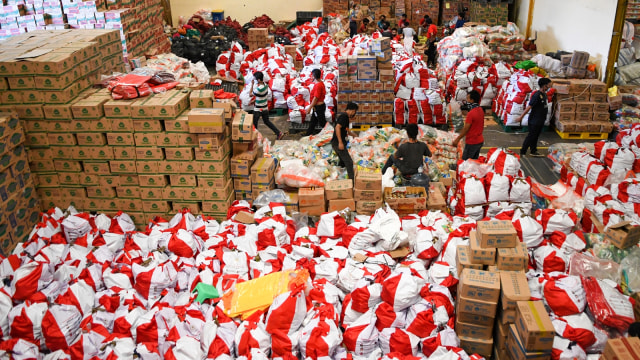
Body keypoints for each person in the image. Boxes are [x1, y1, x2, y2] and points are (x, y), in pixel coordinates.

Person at [518, 78, 552, 157]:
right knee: (531, 136)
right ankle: (523, 151)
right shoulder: (537, 95)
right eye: (548, 85)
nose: (549, 87)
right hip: (535, 120)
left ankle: (533, 150)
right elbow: (529, 107)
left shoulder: (544, 94)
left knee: (536, 136)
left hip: (540, 119)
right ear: (544, 86)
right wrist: (521, 117)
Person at [251, 72, 285, 140]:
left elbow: (250, 94)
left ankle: (255, 138)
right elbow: (261, 96)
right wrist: (254, 101)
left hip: (258, 109)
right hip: (265, 107)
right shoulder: (266, 85)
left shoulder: (259, 88)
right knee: (267, 121)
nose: (254, 80)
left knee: (254, 124)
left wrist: (252, 85)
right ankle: (278, 133)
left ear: (259, 80)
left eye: (255, 79)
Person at [453, 90, 484, 160]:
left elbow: (466, 129)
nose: (466, 100)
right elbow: (475, 118)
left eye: (468, 99)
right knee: (474, 162)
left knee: (466, 162)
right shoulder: (480, 110)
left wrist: (457, 139)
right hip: (479, 141)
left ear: (472, 100)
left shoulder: (471, 114)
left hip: (472, 142)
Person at [332, 102, 359, 180]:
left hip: (337, 143)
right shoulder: (344, 117)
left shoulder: (345, 118)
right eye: (354, 112)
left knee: (342, 162)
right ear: (352, 110)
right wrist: (340, 142)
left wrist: (355, 136)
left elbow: (347, 131)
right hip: (338, 143)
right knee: (349, 163)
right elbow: (337, 127)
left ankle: (341, 177)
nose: (354, 114)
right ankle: (352, 182)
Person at [305, 69, 327, 136]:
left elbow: (315, 98)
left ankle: (331, 134)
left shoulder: (318, 85)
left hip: (318, 108)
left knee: (322, 123)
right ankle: (308, 135)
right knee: (313, 122)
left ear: (313, 76)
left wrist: (309, 107)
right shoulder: (320, 83)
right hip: (317, 107)